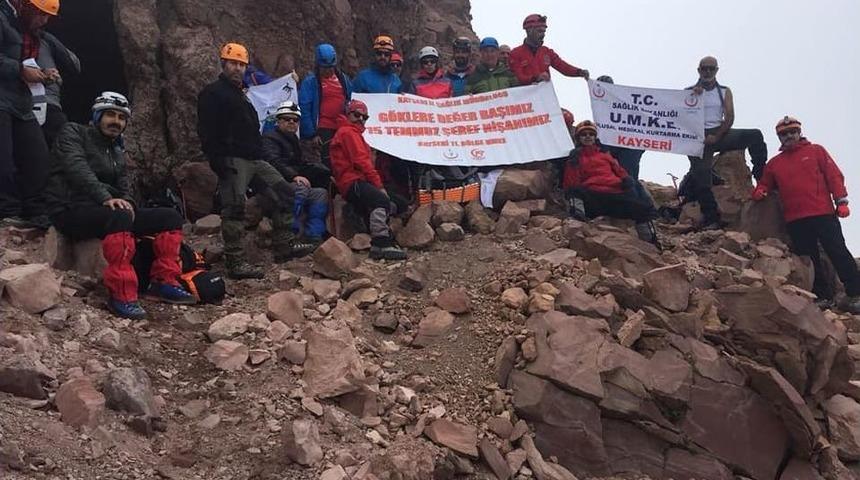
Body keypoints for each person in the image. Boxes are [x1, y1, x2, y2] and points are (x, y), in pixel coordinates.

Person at [45, 92, 195, 320]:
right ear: (96, 116)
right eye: (110, 115)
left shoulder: (116, 150)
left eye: (122, 118)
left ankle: (163, 281)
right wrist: (105, 197)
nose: (116, 121)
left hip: (104, 209)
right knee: (120, 217)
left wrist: (130, 204)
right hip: (70, 208)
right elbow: (77, 169)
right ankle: (121, 294)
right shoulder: (73, 132)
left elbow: (125, 187)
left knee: (169, 217)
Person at [197, 42, 316, 279]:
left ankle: (284, 244)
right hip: (232, 159)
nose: (237, 69)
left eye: (241, 65)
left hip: (254, 158)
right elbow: (207, 130)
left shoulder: (241, 94)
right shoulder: (213, 93)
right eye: (233, 63)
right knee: (234, 208)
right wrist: (217, 160)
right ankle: (235, 262)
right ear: (223, 63)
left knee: (284, 191)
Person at [752, 117, 860, 313]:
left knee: (838, 251)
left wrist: (842, 201)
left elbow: (833, 175)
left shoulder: (816, 151)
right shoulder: (775, 163)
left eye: (792, 131)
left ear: (799, 132)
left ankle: (855, 293)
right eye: (784, 134)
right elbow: (765, 182)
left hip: (823, 213)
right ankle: (822, 296)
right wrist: (760, 190)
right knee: (809, 260)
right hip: (796, 219)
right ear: (779, 137)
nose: (789, 136)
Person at [685, 56, 767, 230]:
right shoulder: (688, 91)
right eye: (704, 68)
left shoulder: (724, 91)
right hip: (697, 138)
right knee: (702, 176)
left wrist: (716, 136)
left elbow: (729, 116)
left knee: (755, 136)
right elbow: (679, 116)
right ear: (699, 70)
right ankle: (711, 217)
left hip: (719, 132)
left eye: (711, 69)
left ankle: (761, 177)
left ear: (716, 70)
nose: (707, 72)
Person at [0, 0, 58, 229]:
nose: (45, 21)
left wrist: (42, 73)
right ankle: (8, 213)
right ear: (26, 6)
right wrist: (21, 71)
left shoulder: (23, 26)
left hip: (20, 100)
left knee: (37, 156)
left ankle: (37, 211)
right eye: (41, 15)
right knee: (4, 159)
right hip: (2, 99)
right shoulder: (3, 18)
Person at [330, 100, 406, 260]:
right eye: (356, 114)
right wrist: (379, 186)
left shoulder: (353, 133)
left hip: (358, 181)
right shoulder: (348, 133)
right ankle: (381, 242)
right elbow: (362, 161)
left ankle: (367, 220)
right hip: (352, 182)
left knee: (399, 202)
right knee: (382, 200)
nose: (361, 119)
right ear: (348, 114)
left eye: (365, 117)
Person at [563, 121, 659, 246]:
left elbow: (620, 172)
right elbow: (571, 182)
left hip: (615, 195)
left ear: (595, 137)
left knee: (642, 208)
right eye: (584, 134)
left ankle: (651, 242)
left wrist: (627, 182)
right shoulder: (576, 157)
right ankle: (578, 222)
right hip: (593, 197)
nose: (588, 136)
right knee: (574, 191)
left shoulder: (605, 155)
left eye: (591, 134)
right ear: (578, 138)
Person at [261, 101, 329, 242]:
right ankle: (291, 235)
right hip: (276, 183)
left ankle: (314, 236)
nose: (292, 122)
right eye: (287, 119)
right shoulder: (269, 138)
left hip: (290, 180)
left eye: (295, 120)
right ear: (278, 121)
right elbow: (273, 161)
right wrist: (294, 176)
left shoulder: (293, 139)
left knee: (320, 194)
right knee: (300, 189)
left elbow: (299, 163)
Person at [298, 43, 352, 167]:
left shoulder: (344, 79)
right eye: (325, 68)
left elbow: (351, 99)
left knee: (342, 162)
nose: (328, 71)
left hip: (341, 128)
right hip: (322, 130)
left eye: (330, 67)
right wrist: (312, 134)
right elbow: (304, 108)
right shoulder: (310, 82)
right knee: (327, 163)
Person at [509, 14, 589, 85]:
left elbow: (563, 67)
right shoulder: (515, 53)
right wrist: (536, 78)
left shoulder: (547, 52)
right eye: (540, 31)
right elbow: (518, 77)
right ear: (529, 31)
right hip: (527, 99)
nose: (543, 35)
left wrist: (579, 72)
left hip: (545, 97)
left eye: (544, 31)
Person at [595, 75, 645, 180]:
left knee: (627, 174)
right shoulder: (598, 106)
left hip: (629, 144)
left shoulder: (625, 102)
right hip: (608, 144)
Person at [37, 29, 79, 147]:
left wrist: (46, 36)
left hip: (48, 103)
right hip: (20, 104)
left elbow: (74, 64)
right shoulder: (10, 35)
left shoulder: (43, 39)